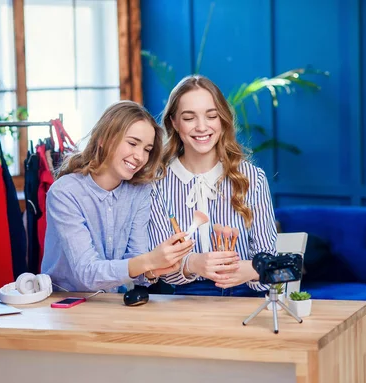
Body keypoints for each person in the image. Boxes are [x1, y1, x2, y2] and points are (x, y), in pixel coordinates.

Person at [41, 100, 194, 293]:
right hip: (63, 304)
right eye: (132, 143)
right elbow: (87, 273)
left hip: (110, 303)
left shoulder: (139, 191)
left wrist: (152, 270)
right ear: (104, 138)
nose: (140, 156)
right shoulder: (65, 193)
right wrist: (148, 261)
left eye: (147, 149)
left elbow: (136, 262)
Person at [148, 75, 278, 297]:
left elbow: (270, 262)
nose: (202, 127)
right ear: (174, 123)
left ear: (222, 120)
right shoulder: (157, 184)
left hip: (247, 297)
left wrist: (250, 269)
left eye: (211, 116)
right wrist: (193, 264)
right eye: (189, 118)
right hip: (182, 300)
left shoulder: (252, 178)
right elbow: (158, 268)